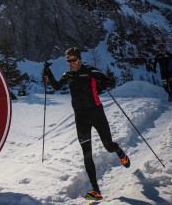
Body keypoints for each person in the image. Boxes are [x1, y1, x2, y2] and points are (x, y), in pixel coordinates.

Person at [43, 47, 130, 201]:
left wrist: (102, 85)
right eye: (69, 61)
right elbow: (57, 86)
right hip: (80, 117)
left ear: (79, 59)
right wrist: (48, 73)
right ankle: (95, 189)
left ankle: (118, 150)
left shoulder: (90, 70)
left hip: (96, 113)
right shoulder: (67, 75)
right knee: (86, 153)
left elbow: (108, 80)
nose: (71, 63)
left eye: (74, 60)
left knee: (108, 146)